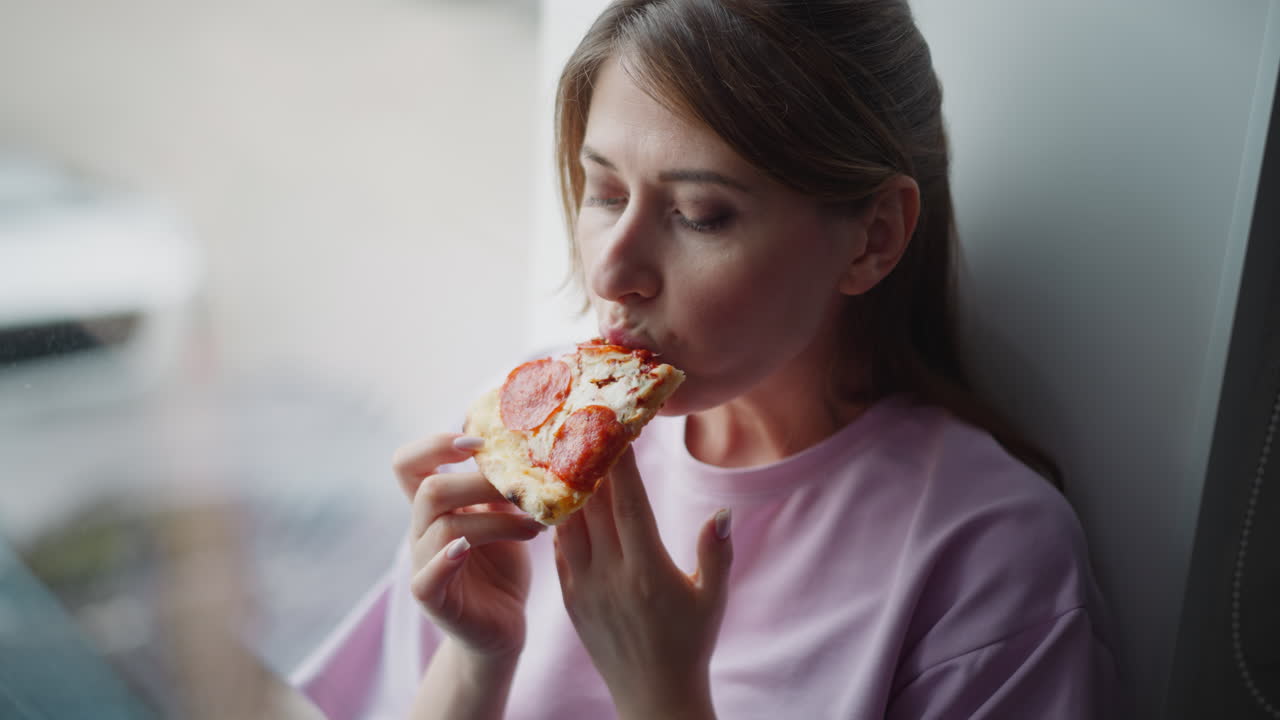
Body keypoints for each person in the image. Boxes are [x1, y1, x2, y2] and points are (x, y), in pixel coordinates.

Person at [292, 1, 1119, 717]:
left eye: (700, 215)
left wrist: (662, 694)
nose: (612, 270)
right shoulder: (531, 432)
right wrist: (478, 659)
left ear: (873, 239)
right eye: (605, 193)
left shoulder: (987, 553)